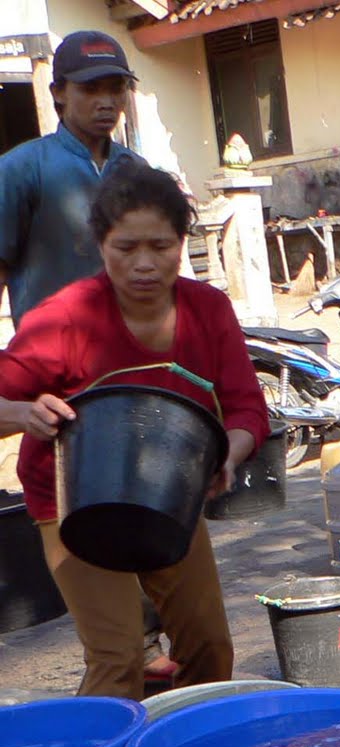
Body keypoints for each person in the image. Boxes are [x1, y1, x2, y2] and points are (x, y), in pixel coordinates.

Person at [0, 166, 269, 699]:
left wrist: (230, 456)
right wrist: (23, 414)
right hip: (72, 501)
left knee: (210, 645)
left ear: (182, 244)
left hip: (170, 492)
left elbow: (246, 410)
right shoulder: (65, 318)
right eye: (125, 247)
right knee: (118, 655)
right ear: (99, 244)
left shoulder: (208, 309)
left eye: (160, 246)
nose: (144, 264)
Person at [0, 30, 143, 329]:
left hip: (131, 357)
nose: (107, 102)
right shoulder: (21, 169)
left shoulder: (137, 171)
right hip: (48, 358)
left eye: (117, 88)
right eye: (91, 88)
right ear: (58, 93)